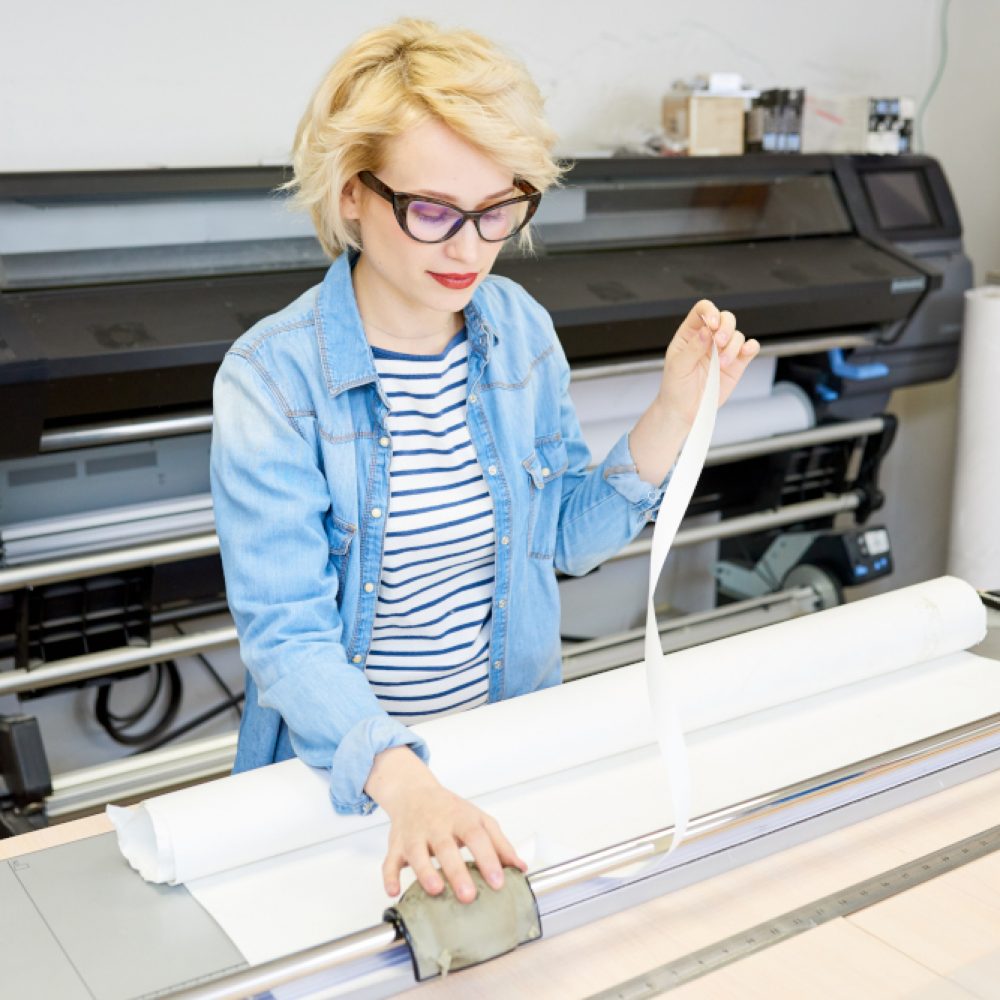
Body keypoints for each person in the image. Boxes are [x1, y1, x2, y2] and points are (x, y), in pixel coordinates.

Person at [210, 19, 760, 907]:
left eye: (498, 209)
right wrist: (408, 784)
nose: (470, 248)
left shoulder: (517, 330)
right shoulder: (271, 382)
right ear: (353, 193)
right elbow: (288, 638)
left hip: (507, 753)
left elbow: (565, 541)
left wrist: (673, 412)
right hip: (356, 784)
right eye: (431, 211)